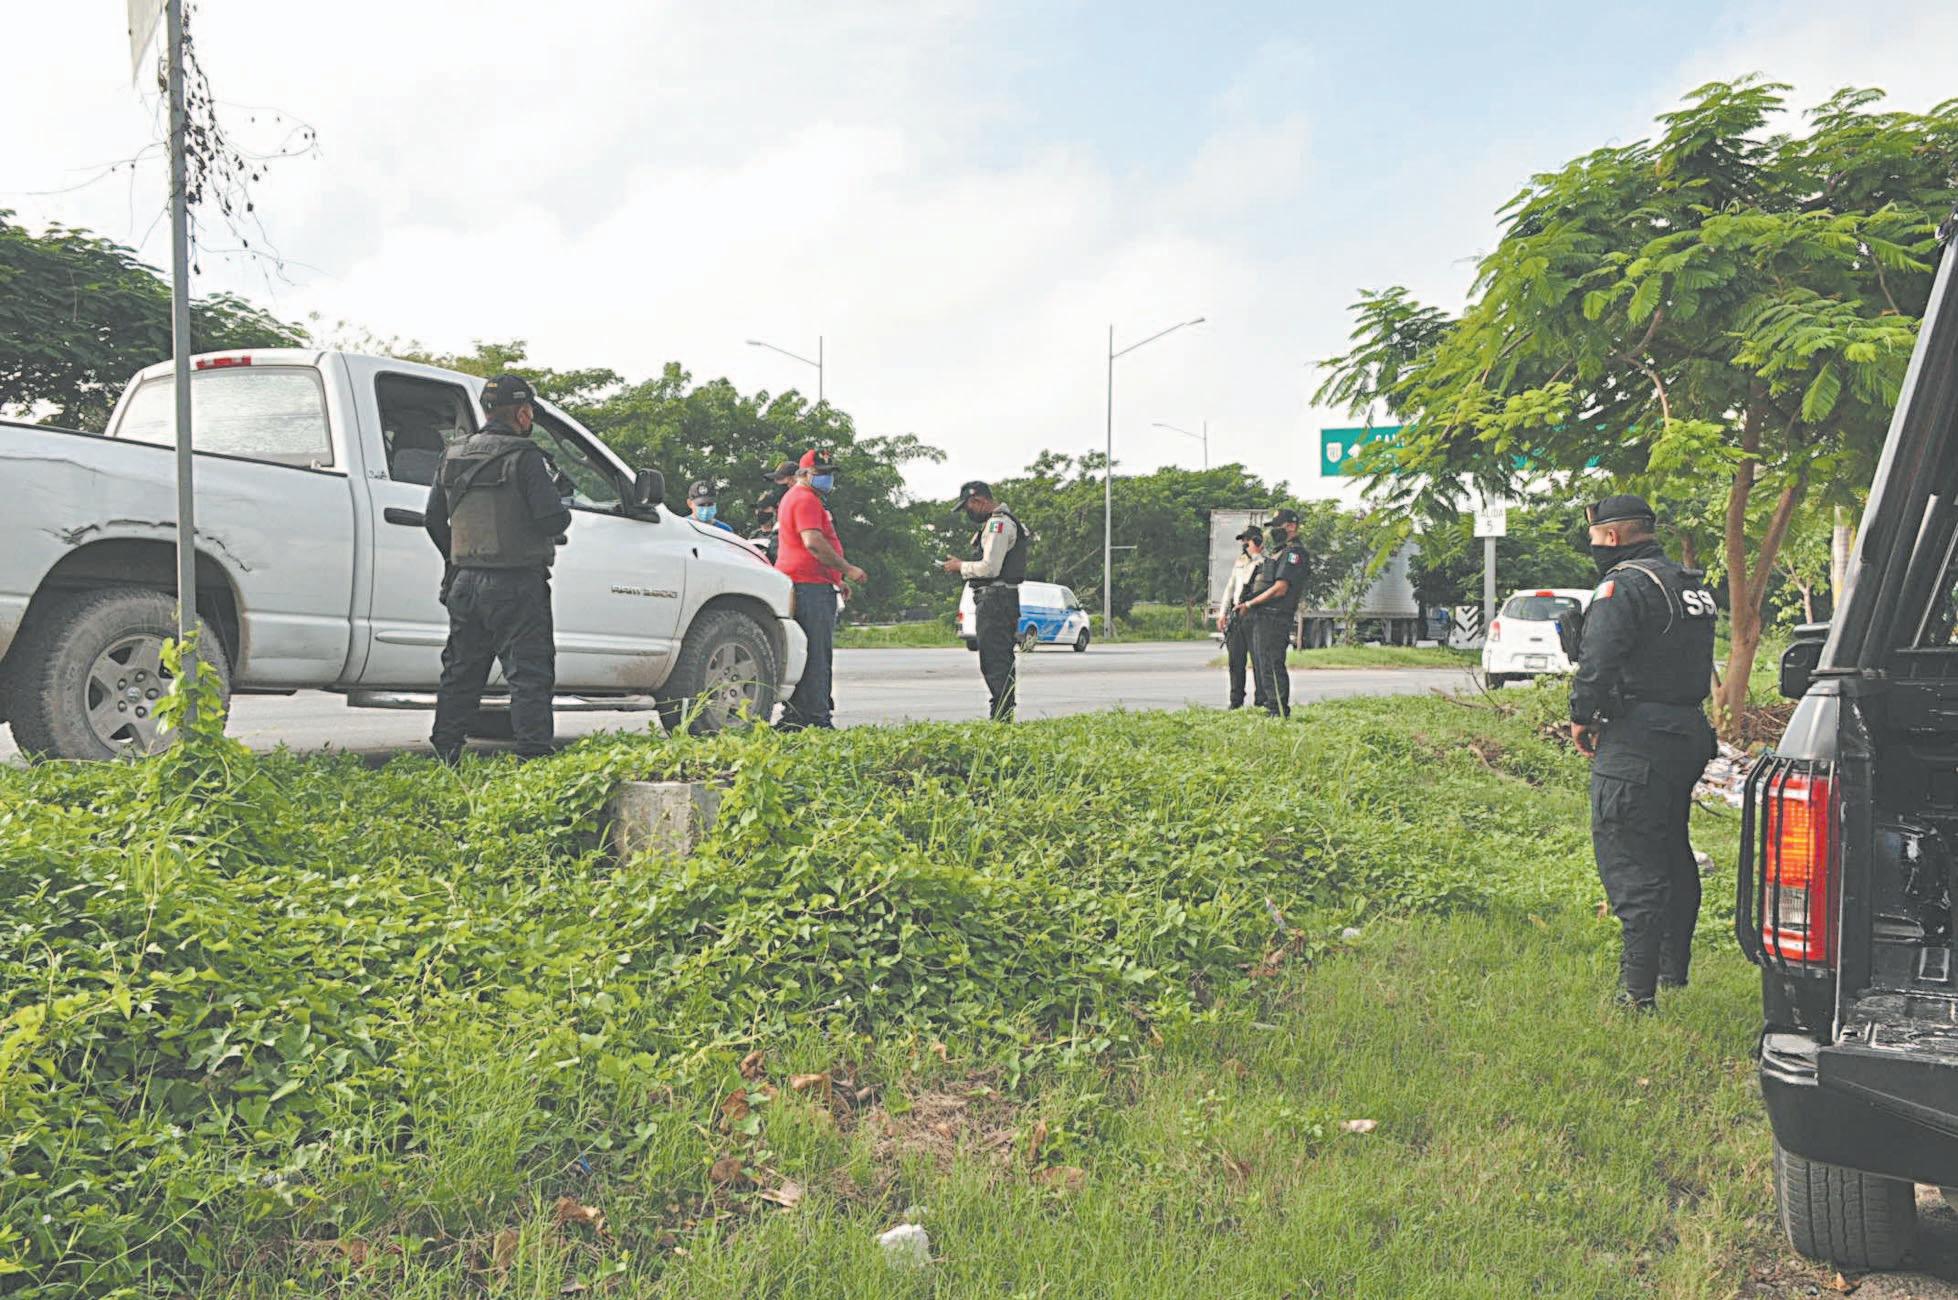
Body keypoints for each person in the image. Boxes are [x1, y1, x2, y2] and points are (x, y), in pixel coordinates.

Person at [1570, 494, 1718, 1012]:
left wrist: (1582, 715)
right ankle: (1672, 970)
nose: (1593, 546)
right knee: (1671, 849)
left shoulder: (1624, 584)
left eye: (1594, 537)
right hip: (1686, 731)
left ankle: (1637, 994)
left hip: (1639, 737)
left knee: (1630, 854)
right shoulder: (1687, 584)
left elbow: (1598, 661)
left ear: (1611, 536)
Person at [423, 373, 573, 763]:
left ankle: (447, 752)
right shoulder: (526, 457)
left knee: (461, 670)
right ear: (523, 413)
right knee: (528, 673)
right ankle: (533, 758)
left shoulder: (453, 454)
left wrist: (456, 559)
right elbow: (552, 520)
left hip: (464, 582)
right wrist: (559, 498)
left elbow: (433, 519)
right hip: (517, 583)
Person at [775, 449, 862, 730]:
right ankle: (815, 718)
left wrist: (837, 579)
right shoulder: (806, 499)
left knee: (804, 654)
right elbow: (812, 542)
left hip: (807, 583)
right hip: (809, 587)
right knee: (816, 656)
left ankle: (795, 718)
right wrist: (848, 568)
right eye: (820, 473)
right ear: (804, 473)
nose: (827, 479)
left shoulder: (796, 497)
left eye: (829, 473)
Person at [941, 481, 1029, 721]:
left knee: (994, 660)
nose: (968, 513)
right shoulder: (1003, 521)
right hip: (1001, 598)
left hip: (995, 599)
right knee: (999, 658)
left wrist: (960, 566)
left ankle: (1001, 717)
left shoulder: (997, 524)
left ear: (978, 500)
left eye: (968, 507)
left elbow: (990, 568)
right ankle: (1003, 713)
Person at [1235, 507, 1308, 717]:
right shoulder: (1280, 552)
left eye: (1277, 526)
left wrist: (1250, 604)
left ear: (1291, 526)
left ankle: (1278, 710)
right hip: (1264, 615)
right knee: (1264, 663)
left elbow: (1280, 588)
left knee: (1272, 663)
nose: (1273, 531)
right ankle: (1272, 707)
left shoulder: (1294, 553)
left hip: (1276, 616)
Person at [1219, 525, 1266, 710]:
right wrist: (1222, 613)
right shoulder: (1239, 562)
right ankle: (1236, 700)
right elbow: (1230, 588)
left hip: (1255, 616)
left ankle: (1261, 700)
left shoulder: (1264, 563)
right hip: (1237, 615)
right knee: (1235, 661)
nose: (1245, 545)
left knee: (1258, 660)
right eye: (1243, 541)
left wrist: (1256, 555)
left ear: (1258, 542)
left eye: (1248, 541)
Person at [749, 492, 781, 564]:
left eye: (764, 508)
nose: (760, 511)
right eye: (758, 508)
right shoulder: (754, 535)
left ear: (775, 510)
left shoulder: (780, 534)